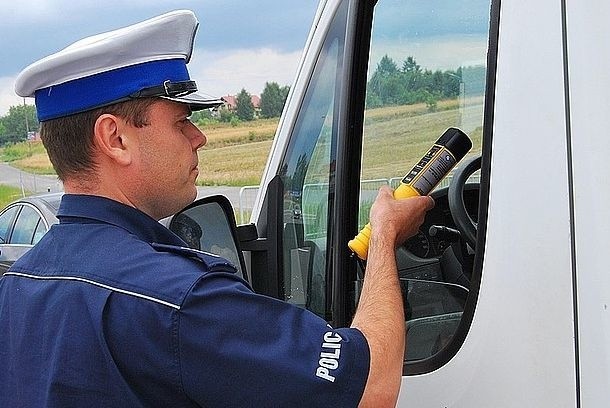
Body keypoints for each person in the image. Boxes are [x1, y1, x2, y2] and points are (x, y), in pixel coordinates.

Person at [0, 10, 434, 408]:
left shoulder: (17, 286)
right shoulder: (181, 300)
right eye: (181, 121)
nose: (198, 138)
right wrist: (383, 238)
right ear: (115, 139)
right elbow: (371, 386)